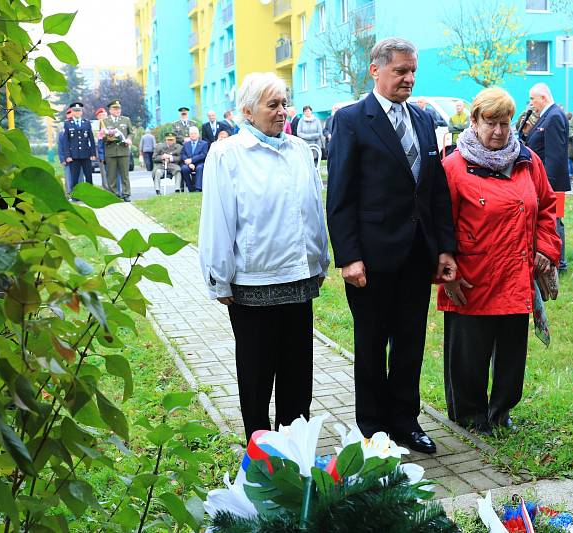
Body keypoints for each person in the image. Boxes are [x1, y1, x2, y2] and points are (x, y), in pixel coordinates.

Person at [326, 37, 457, 454]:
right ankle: (372, 428)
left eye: (412, 71)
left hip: (417, 255)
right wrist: (348, 257)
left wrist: (444, 249)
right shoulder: (351, 120)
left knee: (410, 342)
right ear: (376, 70)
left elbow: (434, 191)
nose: (409, 78)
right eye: (400, 71)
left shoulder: (422, 119)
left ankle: (406, 421)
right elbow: (341, 194)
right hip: (371, 256)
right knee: (370, 343)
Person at [198, 71, 330, 442]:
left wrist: (319, 260)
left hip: (299, 282)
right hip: (253, 285)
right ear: (247, 111)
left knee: (297, 376)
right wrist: (218, 277)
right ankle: (259, 457)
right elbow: (217, 219)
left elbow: (313, 209)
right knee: (256, 379)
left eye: (284, 103)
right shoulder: (227, 154)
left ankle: (293, 451)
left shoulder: (300, 150)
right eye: (272, 105)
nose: (282, 111)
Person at [438, 87, 560, 435]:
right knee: (469, 353)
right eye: (490, 122)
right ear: (473, 121)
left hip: (516, 273)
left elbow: (547, 207)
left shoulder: (527, 161)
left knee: (511, 352)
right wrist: (445, 269)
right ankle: (470, 414)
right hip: (472, 276)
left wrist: (547, 248)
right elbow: (438, 224)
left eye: (505, 123)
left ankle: (501, 410)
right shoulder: (454, 167)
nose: (498, 131)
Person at [525, 82, 570, 272]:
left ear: (543, 98)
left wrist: (548, 187)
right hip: (544, 180)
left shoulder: (554, 117)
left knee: (555, 219)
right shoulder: (547, 116)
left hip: (551, 182)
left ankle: (560, 261)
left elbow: (555, 155)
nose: (531, 103)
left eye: (532, 99)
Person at [101, 100, 134, 201]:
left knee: (125, 174)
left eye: (118, 108)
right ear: (110, 110)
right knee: (111, 175)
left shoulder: (126, 120)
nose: (117, 110)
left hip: (123, 151)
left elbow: (131, 133)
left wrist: (129, 139)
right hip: (110, 151)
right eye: (115, 109)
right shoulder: (104, 121)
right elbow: (102, 136)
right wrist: (108, 138)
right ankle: (114, 194)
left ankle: (126, 194)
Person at [62, 102, 97, 193]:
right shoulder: (67, 124)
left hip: (86, 154)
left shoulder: (87, 123)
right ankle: (75, 195)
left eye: (79, 111)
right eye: (75, 111)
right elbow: (66, 142)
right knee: (75, 177)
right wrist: (67, 156)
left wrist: (93, 153)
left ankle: (90, 194)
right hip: (74, 155)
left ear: (82, 112)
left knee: (88, 176)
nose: (77, 113)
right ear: (72, 112)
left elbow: (91, 139)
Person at [180, 126, 209, 192]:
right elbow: (183, 154)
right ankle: (190, 188)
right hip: (188, 164)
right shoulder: (186, 144)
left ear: (198, 135)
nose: (193, 135)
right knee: (184, 169)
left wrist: (192, 160)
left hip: (200, 163)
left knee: (199, 168)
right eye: (191, 134)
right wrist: (189, 162)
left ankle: (198, 188)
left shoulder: (204, 143)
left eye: (195, 133)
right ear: (189, 135)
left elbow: (203, 155)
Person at [57, 108, 73, 195]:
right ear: (66, 116)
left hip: (78, 157)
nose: (70, 116)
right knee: (68, 176)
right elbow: (60, 147)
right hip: (67, 158)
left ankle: (78, 195)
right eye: (69, 114)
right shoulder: (62, 131)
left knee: (79, 177)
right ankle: (69, 193)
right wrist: (62, 159)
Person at [94, 107, 108, 188]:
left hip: (110, 151)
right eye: (101, 115)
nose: (103, 116)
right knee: (103, 172)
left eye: (104, 114)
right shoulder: (95, 125)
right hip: (100, 150)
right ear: (98, 117)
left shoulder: (109, 123)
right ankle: (106, 188)